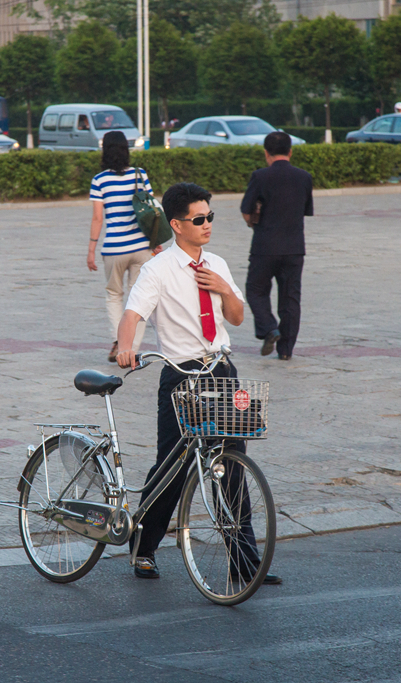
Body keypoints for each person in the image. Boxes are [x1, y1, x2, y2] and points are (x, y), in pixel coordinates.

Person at [116, 182, 281, 585]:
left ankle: (244, 560)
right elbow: (133, 314)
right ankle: (143, 547)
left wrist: (224, 290)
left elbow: (238, 319)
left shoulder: (218, 264)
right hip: (182, 374)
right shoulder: (158, 269)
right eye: (198, 219)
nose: (207, 224)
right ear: (176, 224)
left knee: (232, 465)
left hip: (222, 371)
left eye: (210, 217)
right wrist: (125, 348)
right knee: (173, 465)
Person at [240, 131, 313, 360]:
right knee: (291, 298)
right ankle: (286, 350)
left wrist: (254, 222)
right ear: (290, 152)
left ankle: (270, 328)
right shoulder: (304, 177)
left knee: (255, 290)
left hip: (264, 246)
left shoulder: (260, 176)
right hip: (294, 247)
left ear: (266, 153)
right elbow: (305, 211)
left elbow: (246, 210)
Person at [88, 131, 160, 362]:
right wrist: (155, 242)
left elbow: (98, 219)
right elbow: (151, 212)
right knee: (139, 298)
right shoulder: (140, 176)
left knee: (113, 295)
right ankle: (131, 348)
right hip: (141, 247)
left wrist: (91, 250)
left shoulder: (99, 181)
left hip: (114, 250)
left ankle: (119, 341)